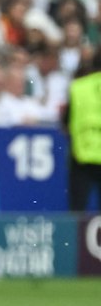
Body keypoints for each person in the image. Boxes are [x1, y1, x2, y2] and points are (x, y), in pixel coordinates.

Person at [64, 61, 101, 212]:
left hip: (82, 154)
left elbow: (66, 121)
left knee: (77, 210)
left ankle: (75, 234)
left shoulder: (79, 87)